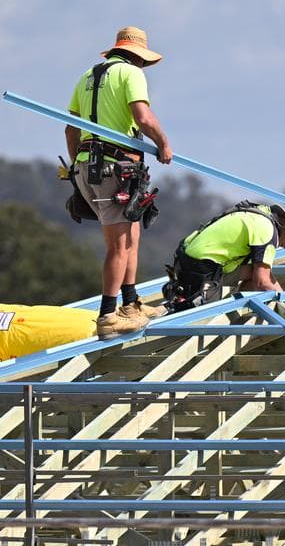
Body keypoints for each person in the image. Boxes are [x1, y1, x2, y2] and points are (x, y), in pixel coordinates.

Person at [66, 26, 174, 339]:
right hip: (115, 169)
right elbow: (143, 118)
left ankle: (131, 304)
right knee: (119, 246)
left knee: (132, 236)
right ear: (137, 56)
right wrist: (163, 145)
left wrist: (77, 167)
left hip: (88, 168)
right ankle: (108, 316)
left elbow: (71, 130)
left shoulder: (86, 77)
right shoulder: (131, 73)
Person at [162, 202, 285, 311]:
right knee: (203, 323)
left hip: (185, 263)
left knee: (253, 272)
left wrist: (282, 296)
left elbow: (260, 275)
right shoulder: (268, 230)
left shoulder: (258, 215)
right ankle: (227, 310)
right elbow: (262, 281)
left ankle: (234, 307)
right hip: (202, 269)